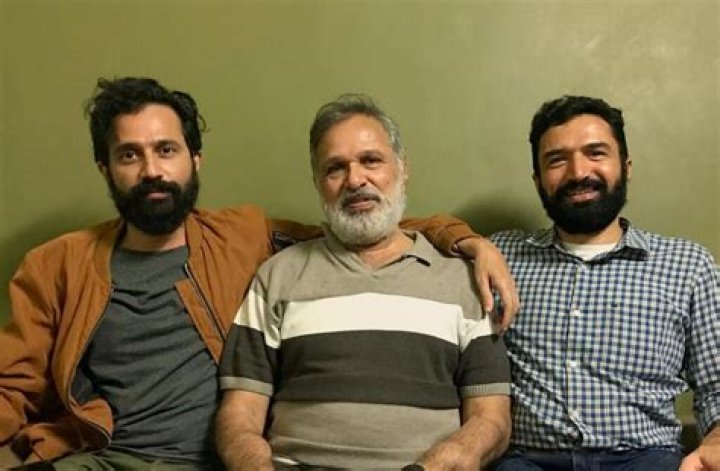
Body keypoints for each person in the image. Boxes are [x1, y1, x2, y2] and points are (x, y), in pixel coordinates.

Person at [0, 78, 517, 469]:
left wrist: (469, 243)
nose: (152, 170)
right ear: (105, 168)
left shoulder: (243, 236)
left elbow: (365, 224)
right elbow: (13, 384)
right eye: (129, 155)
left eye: (166, 150)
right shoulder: (56, 265)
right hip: (106, 456)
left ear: (195, 159)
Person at [216, 94, 512, 470]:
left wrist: (442, 462)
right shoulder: (277, 276)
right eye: (335, 168)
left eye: (371, 160)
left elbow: (492, 420)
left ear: (402, 168)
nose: (355, 180)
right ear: (318, 182)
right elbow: (240, 414)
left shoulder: (464, 281)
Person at [490, 95, 719, 471]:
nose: (578, 172)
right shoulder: (500, 255)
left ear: (626, 167)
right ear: (538, 180)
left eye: (596, 153)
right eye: (557, 160)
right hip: (529, 461)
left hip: (646, 459)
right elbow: (409, 232)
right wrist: (469, 243)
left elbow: (717, 383)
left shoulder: (688, 265)